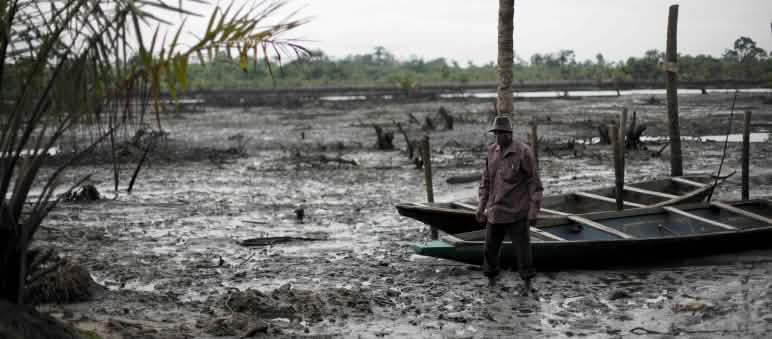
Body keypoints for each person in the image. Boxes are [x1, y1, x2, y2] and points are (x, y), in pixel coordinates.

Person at [475, 115, 543, 295]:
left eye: (502, 133)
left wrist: (534, 210)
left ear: (509, 134)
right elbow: (486, 181)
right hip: (495, 210)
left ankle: (527, 282)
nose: (498, 137)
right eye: (495, 133)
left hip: (517, 211)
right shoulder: (491, 152)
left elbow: (534, 182)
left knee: (523, 250)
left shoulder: (523, 152)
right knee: (489, 248)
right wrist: (481, 207)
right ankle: (491, 279)